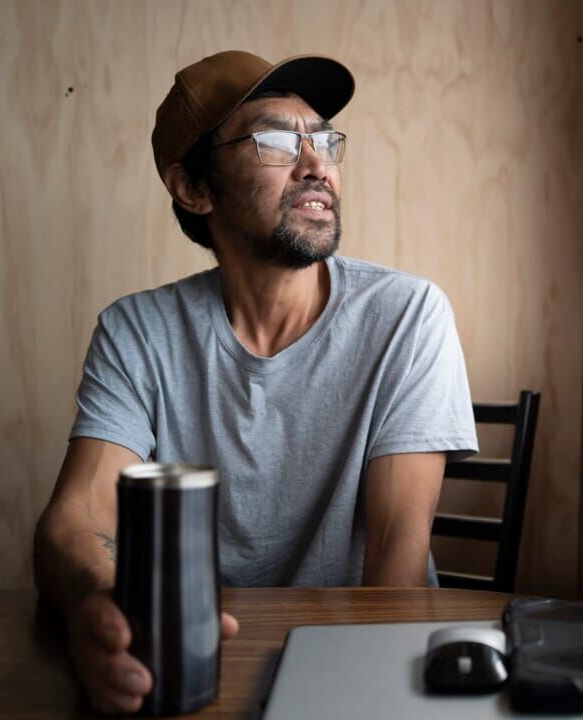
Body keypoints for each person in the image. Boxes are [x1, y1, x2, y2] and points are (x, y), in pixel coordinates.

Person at [32, 50, 478, 714]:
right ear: (194, 188)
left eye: (323, 139)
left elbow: (396, 557)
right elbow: (78, 516)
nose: (317, 164)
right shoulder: (138, 331)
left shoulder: (406, 315)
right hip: (185, 664)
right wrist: (98, 604)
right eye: (276, 141)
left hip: (355, 662)